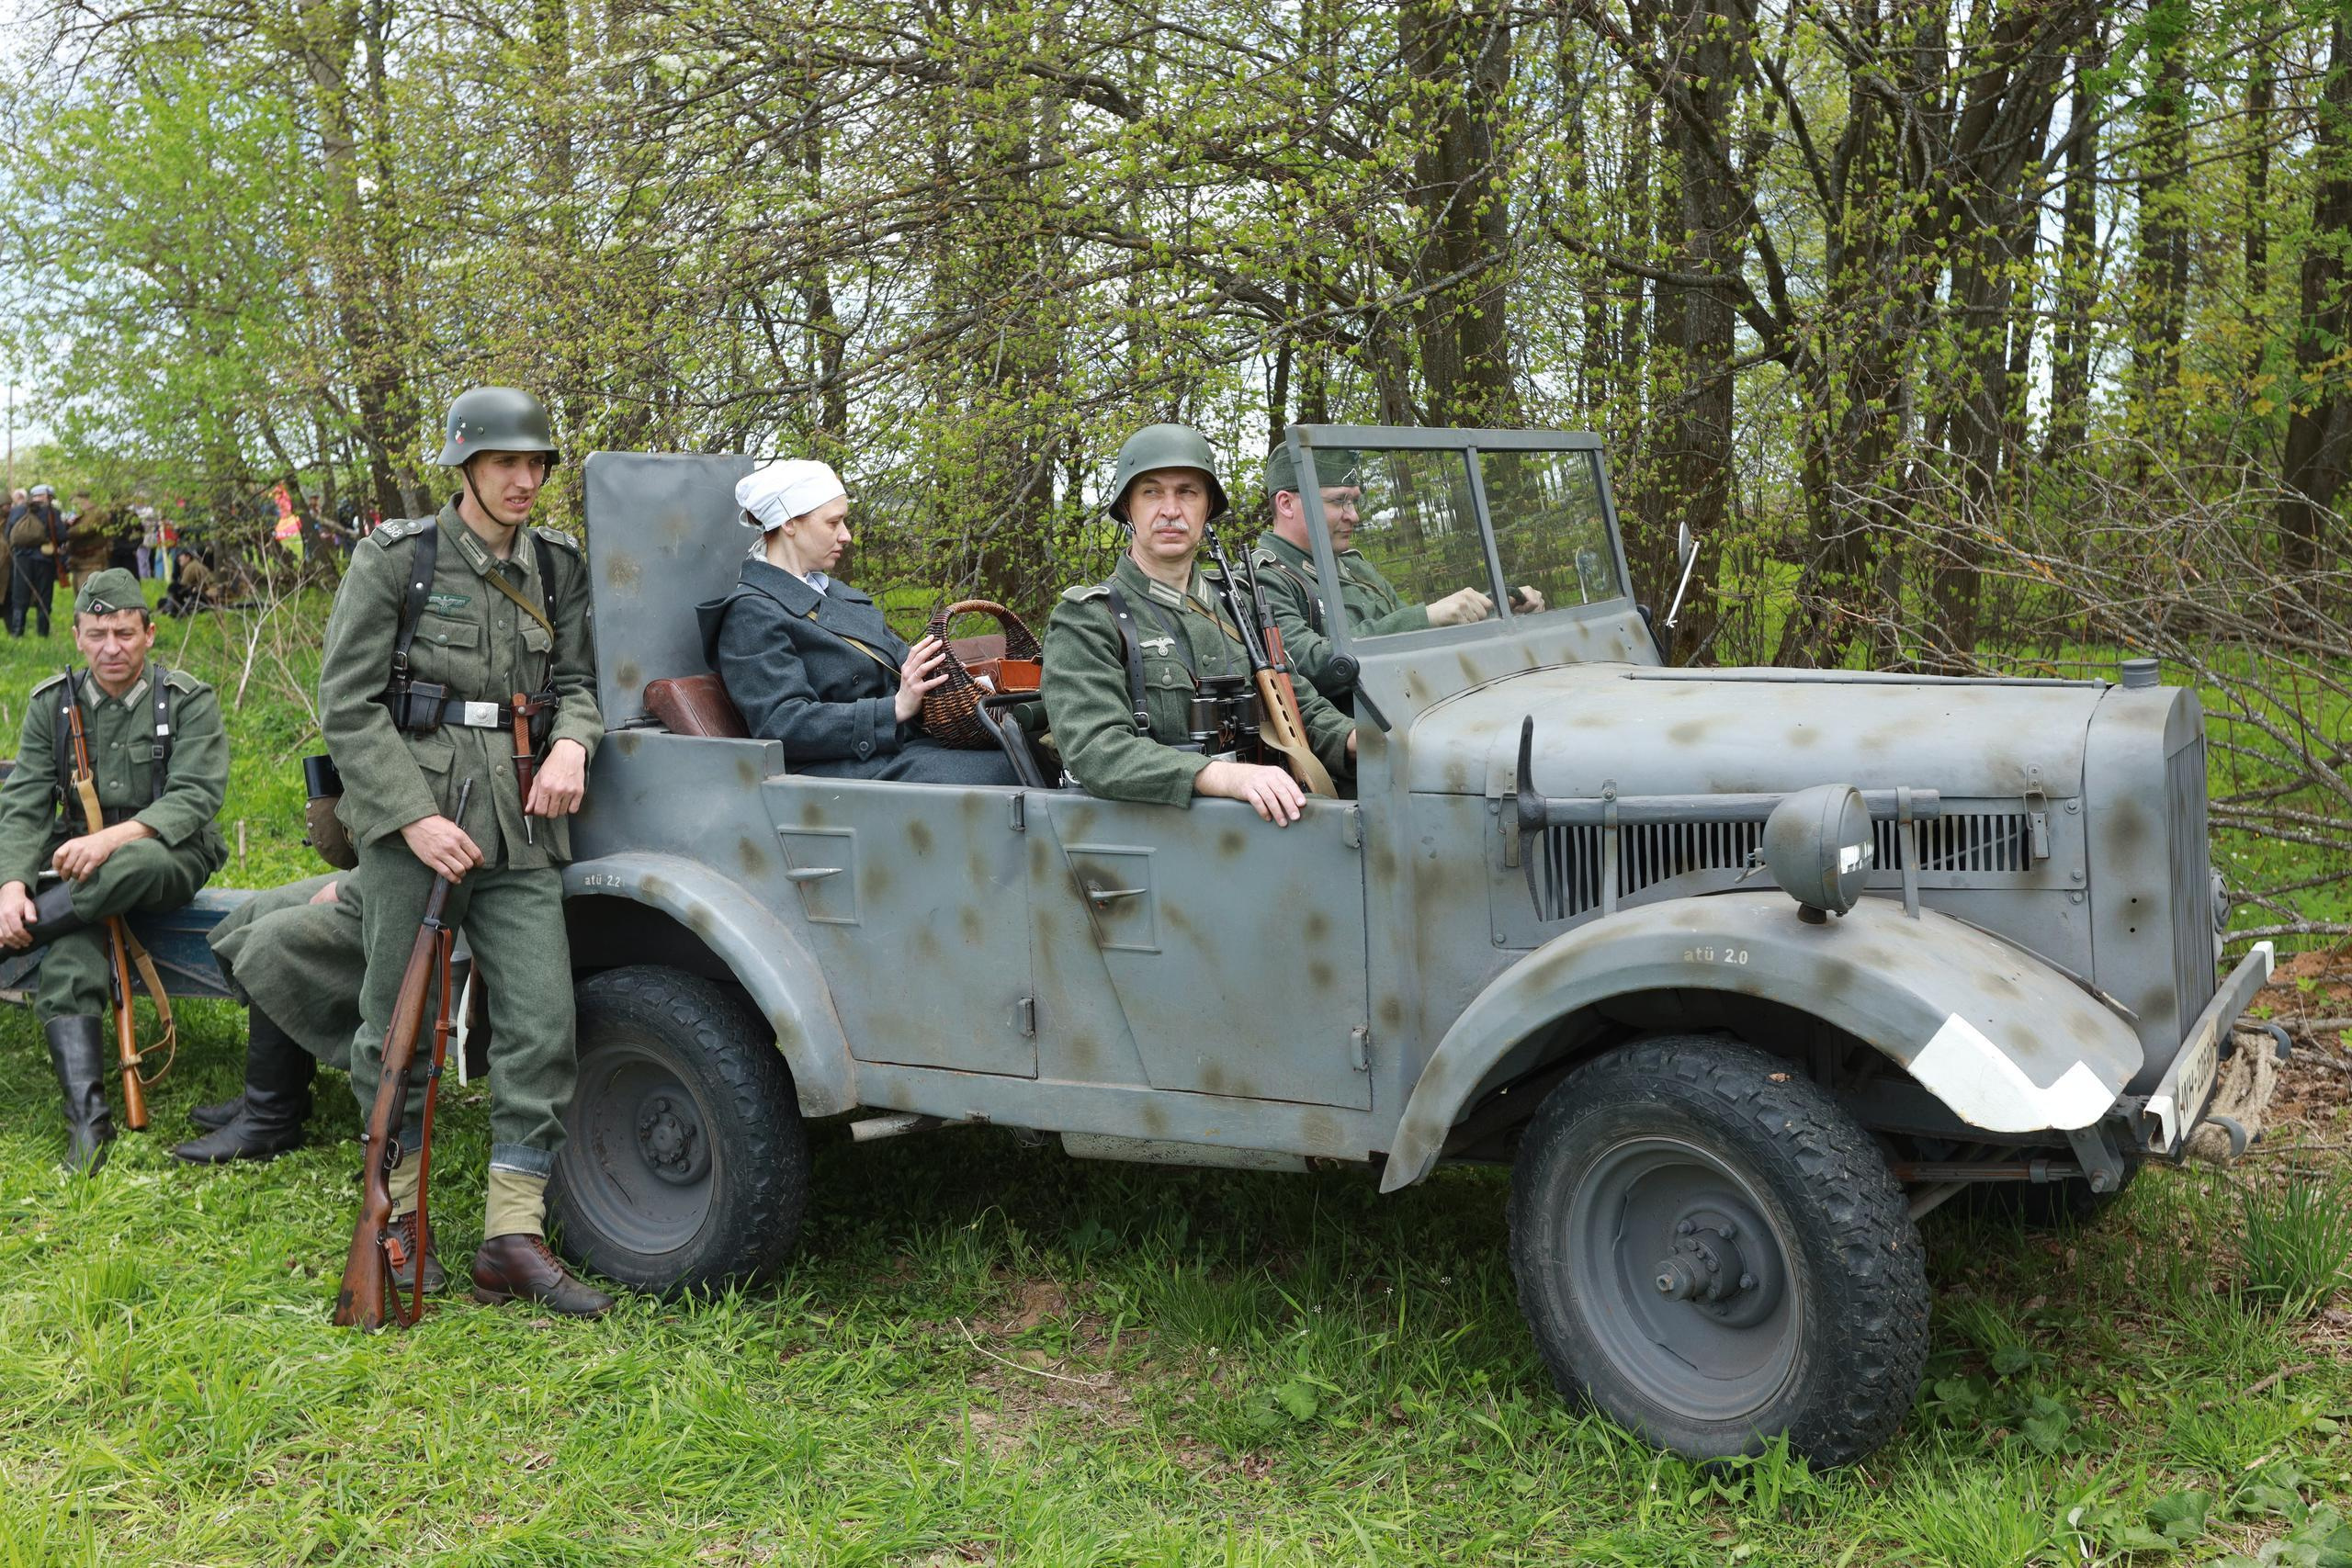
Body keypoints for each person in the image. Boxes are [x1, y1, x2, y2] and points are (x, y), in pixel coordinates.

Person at [316, 385, 610, 1316]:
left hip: (524, 822)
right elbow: (348, 705)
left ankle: (510, 1234)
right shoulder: (397, 560)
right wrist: (408, 815)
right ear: (465, 467)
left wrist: (573, 741)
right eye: (504, 464)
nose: (524, 481)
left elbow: (579, 681)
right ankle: (396, 1218)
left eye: (536, 465)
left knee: (542, 1023)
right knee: (399, 1027)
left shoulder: (558, 566)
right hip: (422, 822)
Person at [0, 569, 231, 1172]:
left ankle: (33, 927)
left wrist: (112, 840)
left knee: (134, 862)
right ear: (77, 635)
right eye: (98, 633)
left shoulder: (187, 699)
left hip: (166, 853)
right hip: (80, 876)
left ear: (149, 634)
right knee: (74, 954)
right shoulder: (53, 703)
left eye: (125, 632)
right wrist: (12, 887)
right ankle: (87, 1118)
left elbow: (196, 796)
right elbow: (24, 801)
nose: (112, 647)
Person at [1043, 423, 1355, 823]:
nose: (1170, 510)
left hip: (1257, 822)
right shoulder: (1089, 617)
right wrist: (1220, 776)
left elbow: (1296, 703)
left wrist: (1352, 739)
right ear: (1128, 508)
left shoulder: (1237, 604)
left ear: (1207, 508)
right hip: (1156, 830)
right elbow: (1097, 749)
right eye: (1151, 492)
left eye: (1187, 492)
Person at [697, 458, 1019, 784]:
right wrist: (893, 709)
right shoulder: (751, 613)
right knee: (1006, 772)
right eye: (833, 523)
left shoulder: (835, 594)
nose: (846, 536)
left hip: (896, 746)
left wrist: (963, 683)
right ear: (789, 524)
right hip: (838, 770)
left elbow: (902, 666)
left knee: (1028, 750)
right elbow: (784, 723)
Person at [1250, 438, 1539, 710]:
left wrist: (1499, 612)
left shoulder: (1354, 566)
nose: (1354, 516)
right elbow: (1307, 664)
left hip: (1417, 710)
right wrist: (1425, 616)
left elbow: (1416, 641)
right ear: (1286, 504)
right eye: (1339, 501)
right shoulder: (1265, 580)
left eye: (1353, 501)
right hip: (1355, 743)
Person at [170, 871, 359, 1167]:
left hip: (402, 885)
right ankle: (284, 1095)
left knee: (268, 944)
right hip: (380, 864)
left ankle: (270, 1121)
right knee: (266, 907)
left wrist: (349, 887)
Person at [8, 482, 70, 637]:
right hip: (44, 559)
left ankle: (17, 633)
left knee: (19, 595)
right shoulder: (52, 512)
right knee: (44, 596)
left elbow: (9, 533)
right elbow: (62, 535)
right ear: (46, 496)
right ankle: (43, 634)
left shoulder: (17, 510)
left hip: (21, 559)